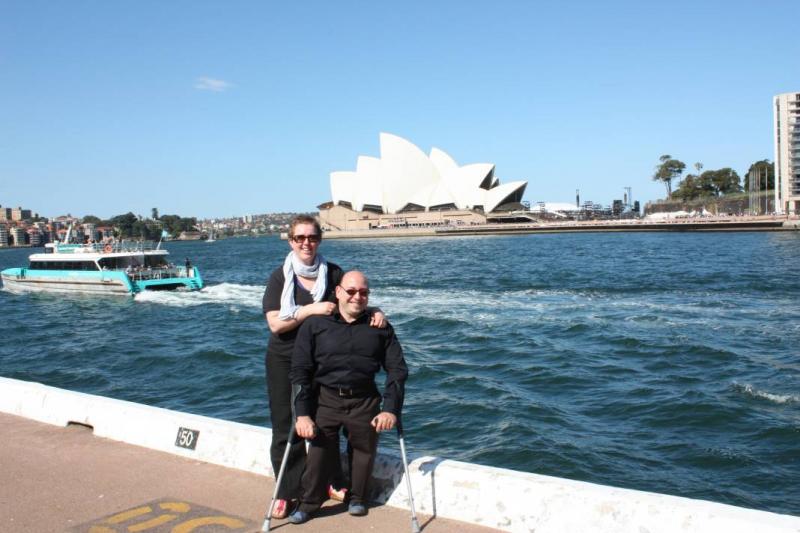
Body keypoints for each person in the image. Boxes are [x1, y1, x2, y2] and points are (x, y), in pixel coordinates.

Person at [262, 216, 385, 519]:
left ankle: (329, 481)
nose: (307, 243)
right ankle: (287, 491)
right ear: (291, 241)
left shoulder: (332, 274)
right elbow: (276, 324)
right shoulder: (281, 276)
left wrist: (375, 311)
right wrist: (310, 310)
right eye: (300, 238)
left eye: (313, 237)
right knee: (286, 424)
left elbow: (351, 299)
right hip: (285, 357)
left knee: (323, 423)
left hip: (323, 359)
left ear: (320, 240)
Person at [287, 270, 408, 524]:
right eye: (351, 291)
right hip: (326, 399)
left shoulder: (380, 328)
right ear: (339, 292)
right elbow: (300, 370)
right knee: (318, 451)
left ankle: (357, 498)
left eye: (363, 292)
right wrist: (303, 413)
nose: (357, 297)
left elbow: (397, 370)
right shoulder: (315, 325)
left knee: (364, 451)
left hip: (365, 400)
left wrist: (390, 409)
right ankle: (310, 501)